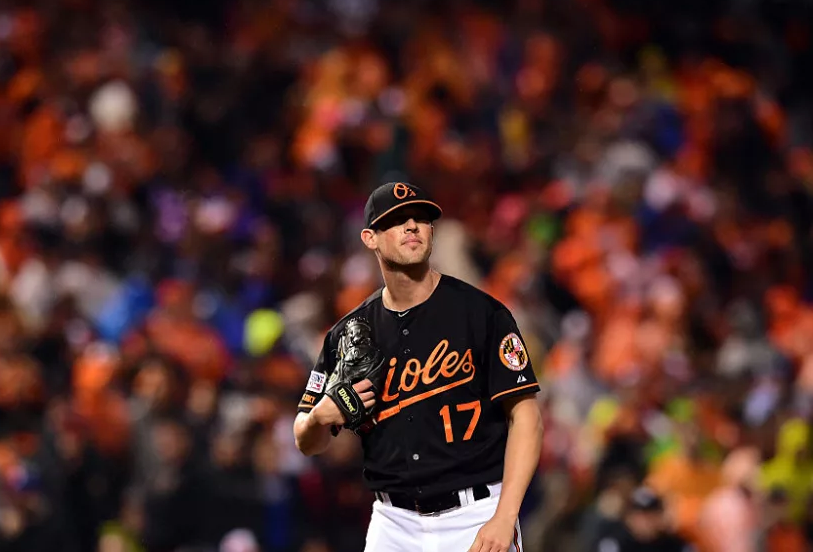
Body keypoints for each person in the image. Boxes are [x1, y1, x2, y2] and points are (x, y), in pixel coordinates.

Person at [293, 182, 544, 552]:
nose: (411, 226)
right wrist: (318, 418)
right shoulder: (348, 333)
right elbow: (305, 440)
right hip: (392, 523)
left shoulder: (482, 314)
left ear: (431, 232)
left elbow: (527, 418)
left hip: (476, 514)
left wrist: (505, 517)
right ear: (370, 238)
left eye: (420, 219)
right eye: (396, 221)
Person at [592, 486, 695, 552]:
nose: (645, 522)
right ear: (628, 517)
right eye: (639, 516)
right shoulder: (614, 542)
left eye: (650, 515)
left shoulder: (675, 545)